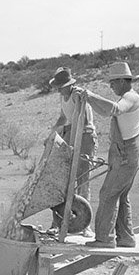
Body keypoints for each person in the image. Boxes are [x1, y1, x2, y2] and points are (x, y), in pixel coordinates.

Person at [79, 61, 139, 248]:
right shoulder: (127, 97)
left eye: (113, 82)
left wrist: (91, 96)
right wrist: (89, 98)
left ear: (122, 81)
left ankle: (105, 238)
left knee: (108, 194)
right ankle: (126, 237)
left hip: (126, 154)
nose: (111, 86)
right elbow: (105, 112)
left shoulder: (130, 97)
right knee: (120, 195)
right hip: (126, 152)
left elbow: (114, 110)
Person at [47, 66, 96, 231]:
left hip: (85, 137)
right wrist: (52, 134)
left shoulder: (78, 95)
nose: (59, 90)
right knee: (64, 179)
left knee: (83, 179)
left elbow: (84, 121)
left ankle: (84, 225)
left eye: (61, 87)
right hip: (71, 134)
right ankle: (59, 222)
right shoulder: (63, 97)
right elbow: (63, 118)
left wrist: (70, 135)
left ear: (69, 85)